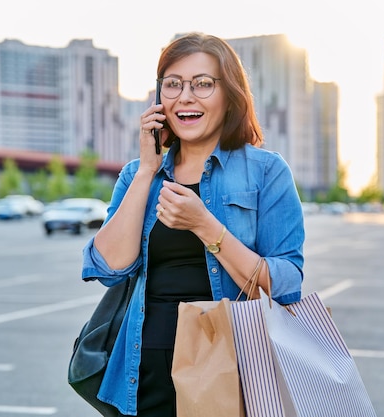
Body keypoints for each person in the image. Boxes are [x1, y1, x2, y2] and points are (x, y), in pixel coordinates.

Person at [81, 32, 305, 417]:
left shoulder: (266, 171)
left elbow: (286, 283)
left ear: (229, 94)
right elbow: (107, 268)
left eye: (203, 84)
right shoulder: (138, 174)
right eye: (173, 84)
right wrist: (148, 170)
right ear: (158, 98)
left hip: (232, 364)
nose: (185, 96)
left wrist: (206, 227)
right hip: (144, 369)